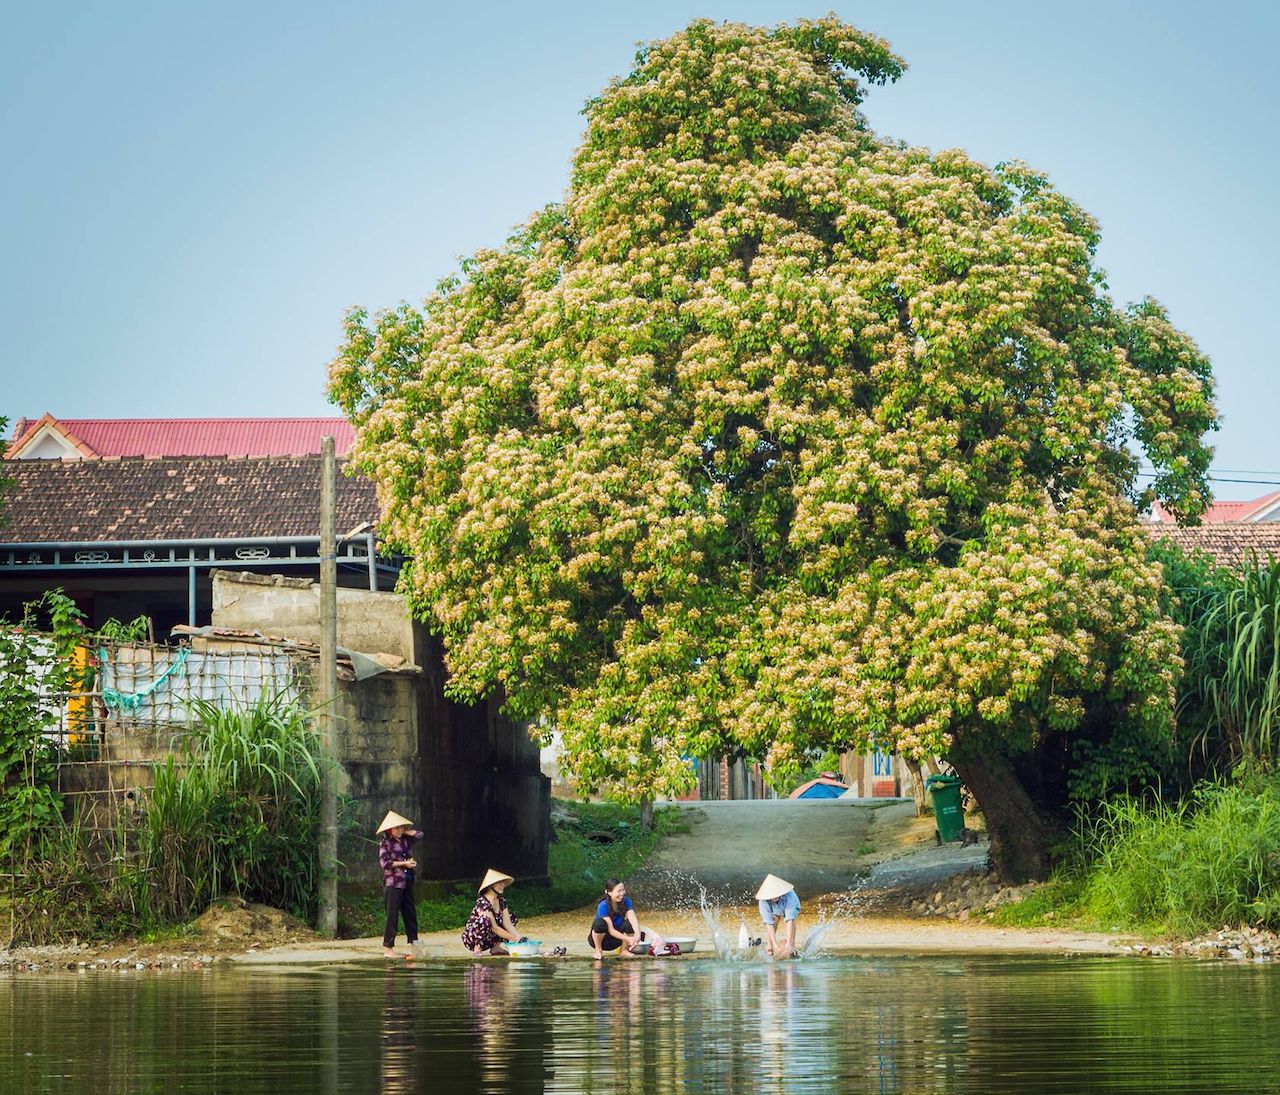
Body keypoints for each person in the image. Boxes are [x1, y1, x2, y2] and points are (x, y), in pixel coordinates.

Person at [378, 809, 423, 958]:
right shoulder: (385, 843)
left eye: (401, 827)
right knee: (392, 915)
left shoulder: (405, 840)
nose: (399, 830)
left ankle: (414, 943)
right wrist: (404, 864)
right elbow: (385, 864)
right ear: (389, 830)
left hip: (407, 881)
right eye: (396, 828)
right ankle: (388, 947)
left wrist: (408, 832)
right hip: (393, 883)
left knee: (410, 913)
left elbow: (420, 835)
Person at [462, 868, 522, 955]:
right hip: (474, 937)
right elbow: (494, 927)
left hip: (490, 938)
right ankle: (477, 948)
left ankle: (496, 948)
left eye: (503, 882)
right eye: (499, 883)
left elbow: (507, 923)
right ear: (491, 885)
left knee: (512, 917)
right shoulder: (482, 902)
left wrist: (519, 937)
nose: (502, 885)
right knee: (485, 920)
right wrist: (514, 939)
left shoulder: (501, 901)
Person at [589, 879, 644, 958]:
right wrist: (628, 939)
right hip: (602, 939)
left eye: (623, 890)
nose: (622, 893)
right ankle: (598, 950)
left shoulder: (626, 901)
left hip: (616, 940)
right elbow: (611, 930)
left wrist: (637, 935)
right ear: (609, 892)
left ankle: (624, 950)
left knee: (629, 924)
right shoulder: (603, 906)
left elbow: (632, 918)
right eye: (618, 891)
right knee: (599, 923)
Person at [756, 874, 800, 959]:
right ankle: (769, 945)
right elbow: (768, 923)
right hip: (774, 911)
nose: (775, 897)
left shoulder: (790, 896)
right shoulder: (763, 902)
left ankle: (792, 944)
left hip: (790, 904)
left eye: (776, 894)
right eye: (772, 895)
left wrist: (788, 944)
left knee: (792, 919)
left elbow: (790, 920)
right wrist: (774, 944)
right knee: (776, 918)